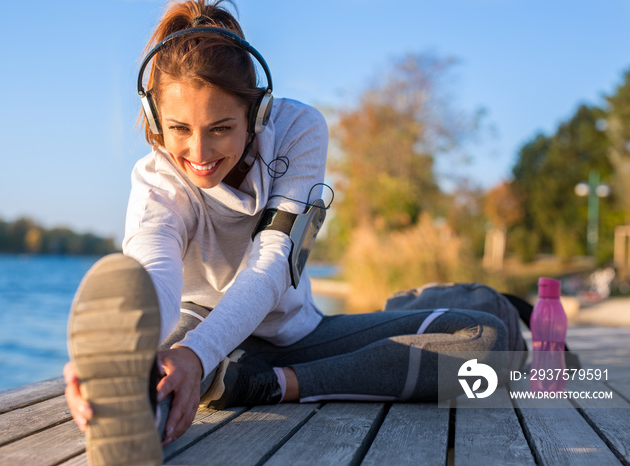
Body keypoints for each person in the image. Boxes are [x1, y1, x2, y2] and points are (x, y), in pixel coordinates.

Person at [63, 1, 515, 465]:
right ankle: (134, 426)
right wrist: (130, 347)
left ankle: (270, 383)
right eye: (179, 128)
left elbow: (272, 262)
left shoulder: (298, 129)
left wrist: (200, 358)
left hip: (294, 335)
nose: (198, 151)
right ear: (156, 119)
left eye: (221, 128)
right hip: (198, 328)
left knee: (487, 338)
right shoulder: (156, 180)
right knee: (158, 363)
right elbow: (154, 271)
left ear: (257, 114)